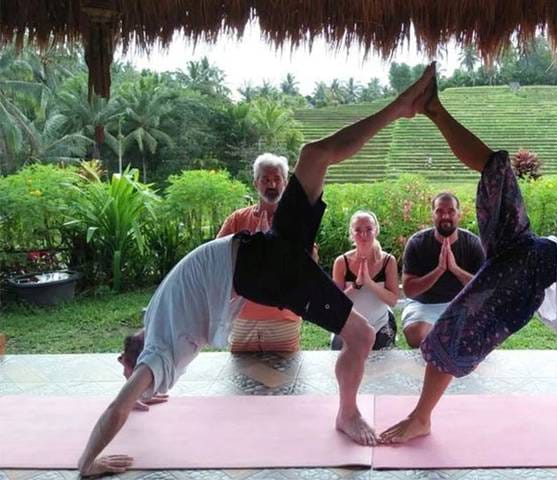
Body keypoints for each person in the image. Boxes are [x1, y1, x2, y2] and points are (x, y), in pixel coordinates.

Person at [76, 64, 437, 477]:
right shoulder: (157, 315)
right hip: (260, 253)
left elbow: (119, 405)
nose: (141, 379)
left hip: (263, 266)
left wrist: (87, 463)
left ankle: (347, 414)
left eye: (135, 375)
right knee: (315, 157)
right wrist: (142, 388)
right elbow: (133, 373)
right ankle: (398, 109)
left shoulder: (158, 349)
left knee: (361, 334)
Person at [379, 64, 557, 452]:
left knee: (455, 329)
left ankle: (421, 418)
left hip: (526, 277)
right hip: (526, 246)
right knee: (497, 168)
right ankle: (434, 108)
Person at [217, 153, 304, 353]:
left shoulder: (295, 221)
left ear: (285, 183)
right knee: (240, 371)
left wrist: (272, 246)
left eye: (277, 179)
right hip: (242, 317)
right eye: (265, 179)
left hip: (283, 317)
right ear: (256, 183)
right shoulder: (237, 219)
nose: (272, 184)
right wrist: (252, 248)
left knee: (285, 371)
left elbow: (309, 262)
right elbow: (217, 258)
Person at [401, 192, 484, 347]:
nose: (445, 216)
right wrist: (439, 270)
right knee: (417, 336)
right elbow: (409, 291)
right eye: (439, 211)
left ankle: (446, 336)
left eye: (451, 211)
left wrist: (455, 269)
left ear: (459, 214)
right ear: (433, 215)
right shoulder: (417, 243)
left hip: (461, 303)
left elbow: (483, 288)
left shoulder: (473, 244)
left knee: (480, 335)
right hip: (424, 304)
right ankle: (447, 336)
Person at [331, 210, 399, 350]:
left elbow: (392, 300)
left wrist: (369, 283)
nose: (363, 235)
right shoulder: (342, 262)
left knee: (378, 360)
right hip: (348, 325)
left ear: (376, 231)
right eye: (358, 230)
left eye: (369, 229)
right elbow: (335, 303)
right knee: (343, 357)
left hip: (380, 325)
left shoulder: (388, 261)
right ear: (351, 233)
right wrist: (356, 285)